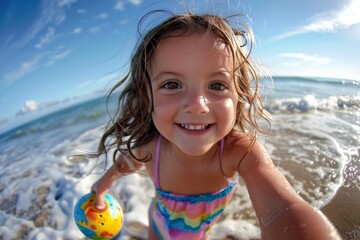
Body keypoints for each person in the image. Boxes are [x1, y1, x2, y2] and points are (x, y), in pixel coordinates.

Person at [89, 11, 341, 240]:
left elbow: (283, 210)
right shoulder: (151, 149)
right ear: (147, 96)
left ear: (238, 94)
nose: (197, 105)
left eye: (217, 85)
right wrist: (102, 186)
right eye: (172, 84)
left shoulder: (238, 152)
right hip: (157, 224)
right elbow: (124, 163)